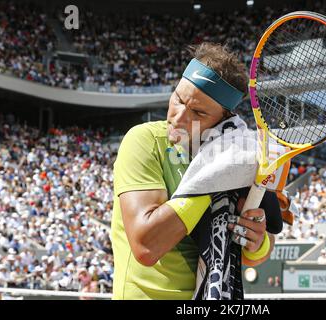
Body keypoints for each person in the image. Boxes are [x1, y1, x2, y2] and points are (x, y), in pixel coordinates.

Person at [111, 42, 280, 300]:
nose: (178, 117)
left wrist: (257, 242)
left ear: (222, 120)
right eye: (178, 98)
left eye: (198, 112)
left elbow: (256, 253)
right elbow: (146, 245)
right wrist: (214, 177)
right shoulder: (143, 140)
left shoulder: (238, 156)